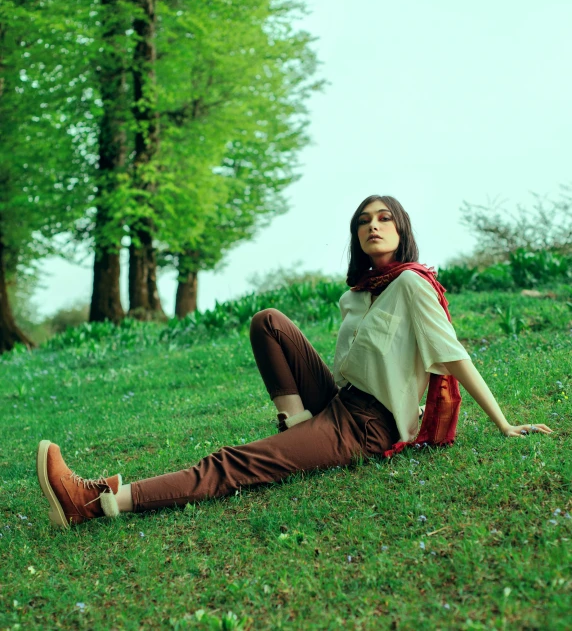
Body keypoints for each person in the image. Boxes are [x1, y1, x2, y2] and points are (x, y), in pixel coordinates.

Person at [36, 195, 553, 529]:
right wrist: (306, 415)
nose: (373, 227)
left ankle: (97, 502)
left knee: (232, 462)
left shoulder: (413, 284)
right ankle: (295, 425)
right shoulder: (358, 295)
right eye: (363, 222)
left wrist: (504, 424)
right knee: (269, 322)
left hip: (369, 425)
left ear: (401, 230)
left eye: (383, 219)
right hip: (338, 401)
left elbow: (454, 357)